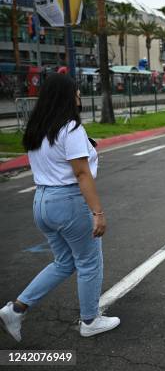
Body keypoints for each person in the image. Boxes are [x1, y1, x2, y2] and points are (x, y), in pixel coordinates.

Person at [0, 74, 119, 342]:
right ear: (67, 96)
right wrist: (98, 212)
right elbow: (81, 173)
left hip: (41, 201)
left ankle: (16, 309)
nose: (79, 96)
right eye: (76, 92)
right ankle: (90, 320)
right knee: (89, 262)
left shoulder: (37, 128)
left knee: (64, 262)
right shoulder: (71, 128)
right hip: (67, 202)